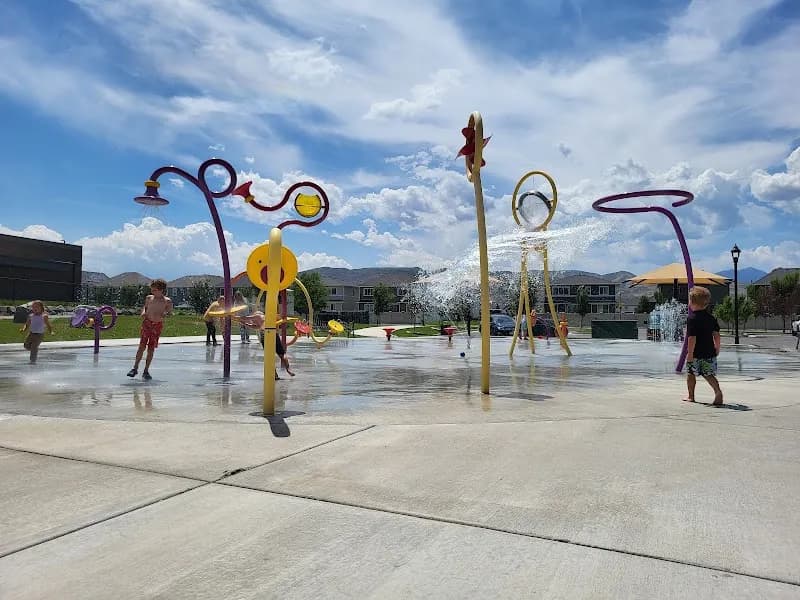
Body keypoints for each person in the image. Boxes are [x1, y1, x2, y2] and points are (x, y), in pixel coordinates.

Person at [683, 286, 723, 406]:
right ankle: (718, 392)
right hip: (709, 351)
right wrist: (717, 348)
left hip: (695, 353)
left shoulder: (692, 319)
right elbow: (716, 335)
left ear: (692, 302)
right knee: (709, 374)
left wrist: (690, 353)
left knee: (691, 374)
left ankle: (691, 396)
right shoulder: (711, 318)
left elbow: (692, 338)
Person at [127, 278, 173, 380]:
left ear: (161, 290)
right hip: (147, 324)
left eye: (155, 290)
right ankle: (135, 368)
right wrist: (143, 312)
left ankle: (146, 370)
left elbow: (170, 313)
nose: (152, 291)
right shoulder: (149, 298)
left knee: (151, 348)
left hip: (157, 325)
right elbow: (145, 307)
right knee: (142, 346)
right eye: (152, 289)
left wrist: (165, 314)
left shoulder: (167, 301)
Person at [235, 311, 295, 379]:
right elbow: (254, 326)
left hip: (265, 337)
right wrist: (243, 323)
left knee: (269, 357)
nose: (253, 320)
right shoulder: (264, 320)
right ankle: (288, 369)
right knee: (282, 354)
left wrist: (236, 317)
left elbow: (246, 318)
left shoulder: (259, 316)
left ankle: (275, 374)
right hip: (274, 334)